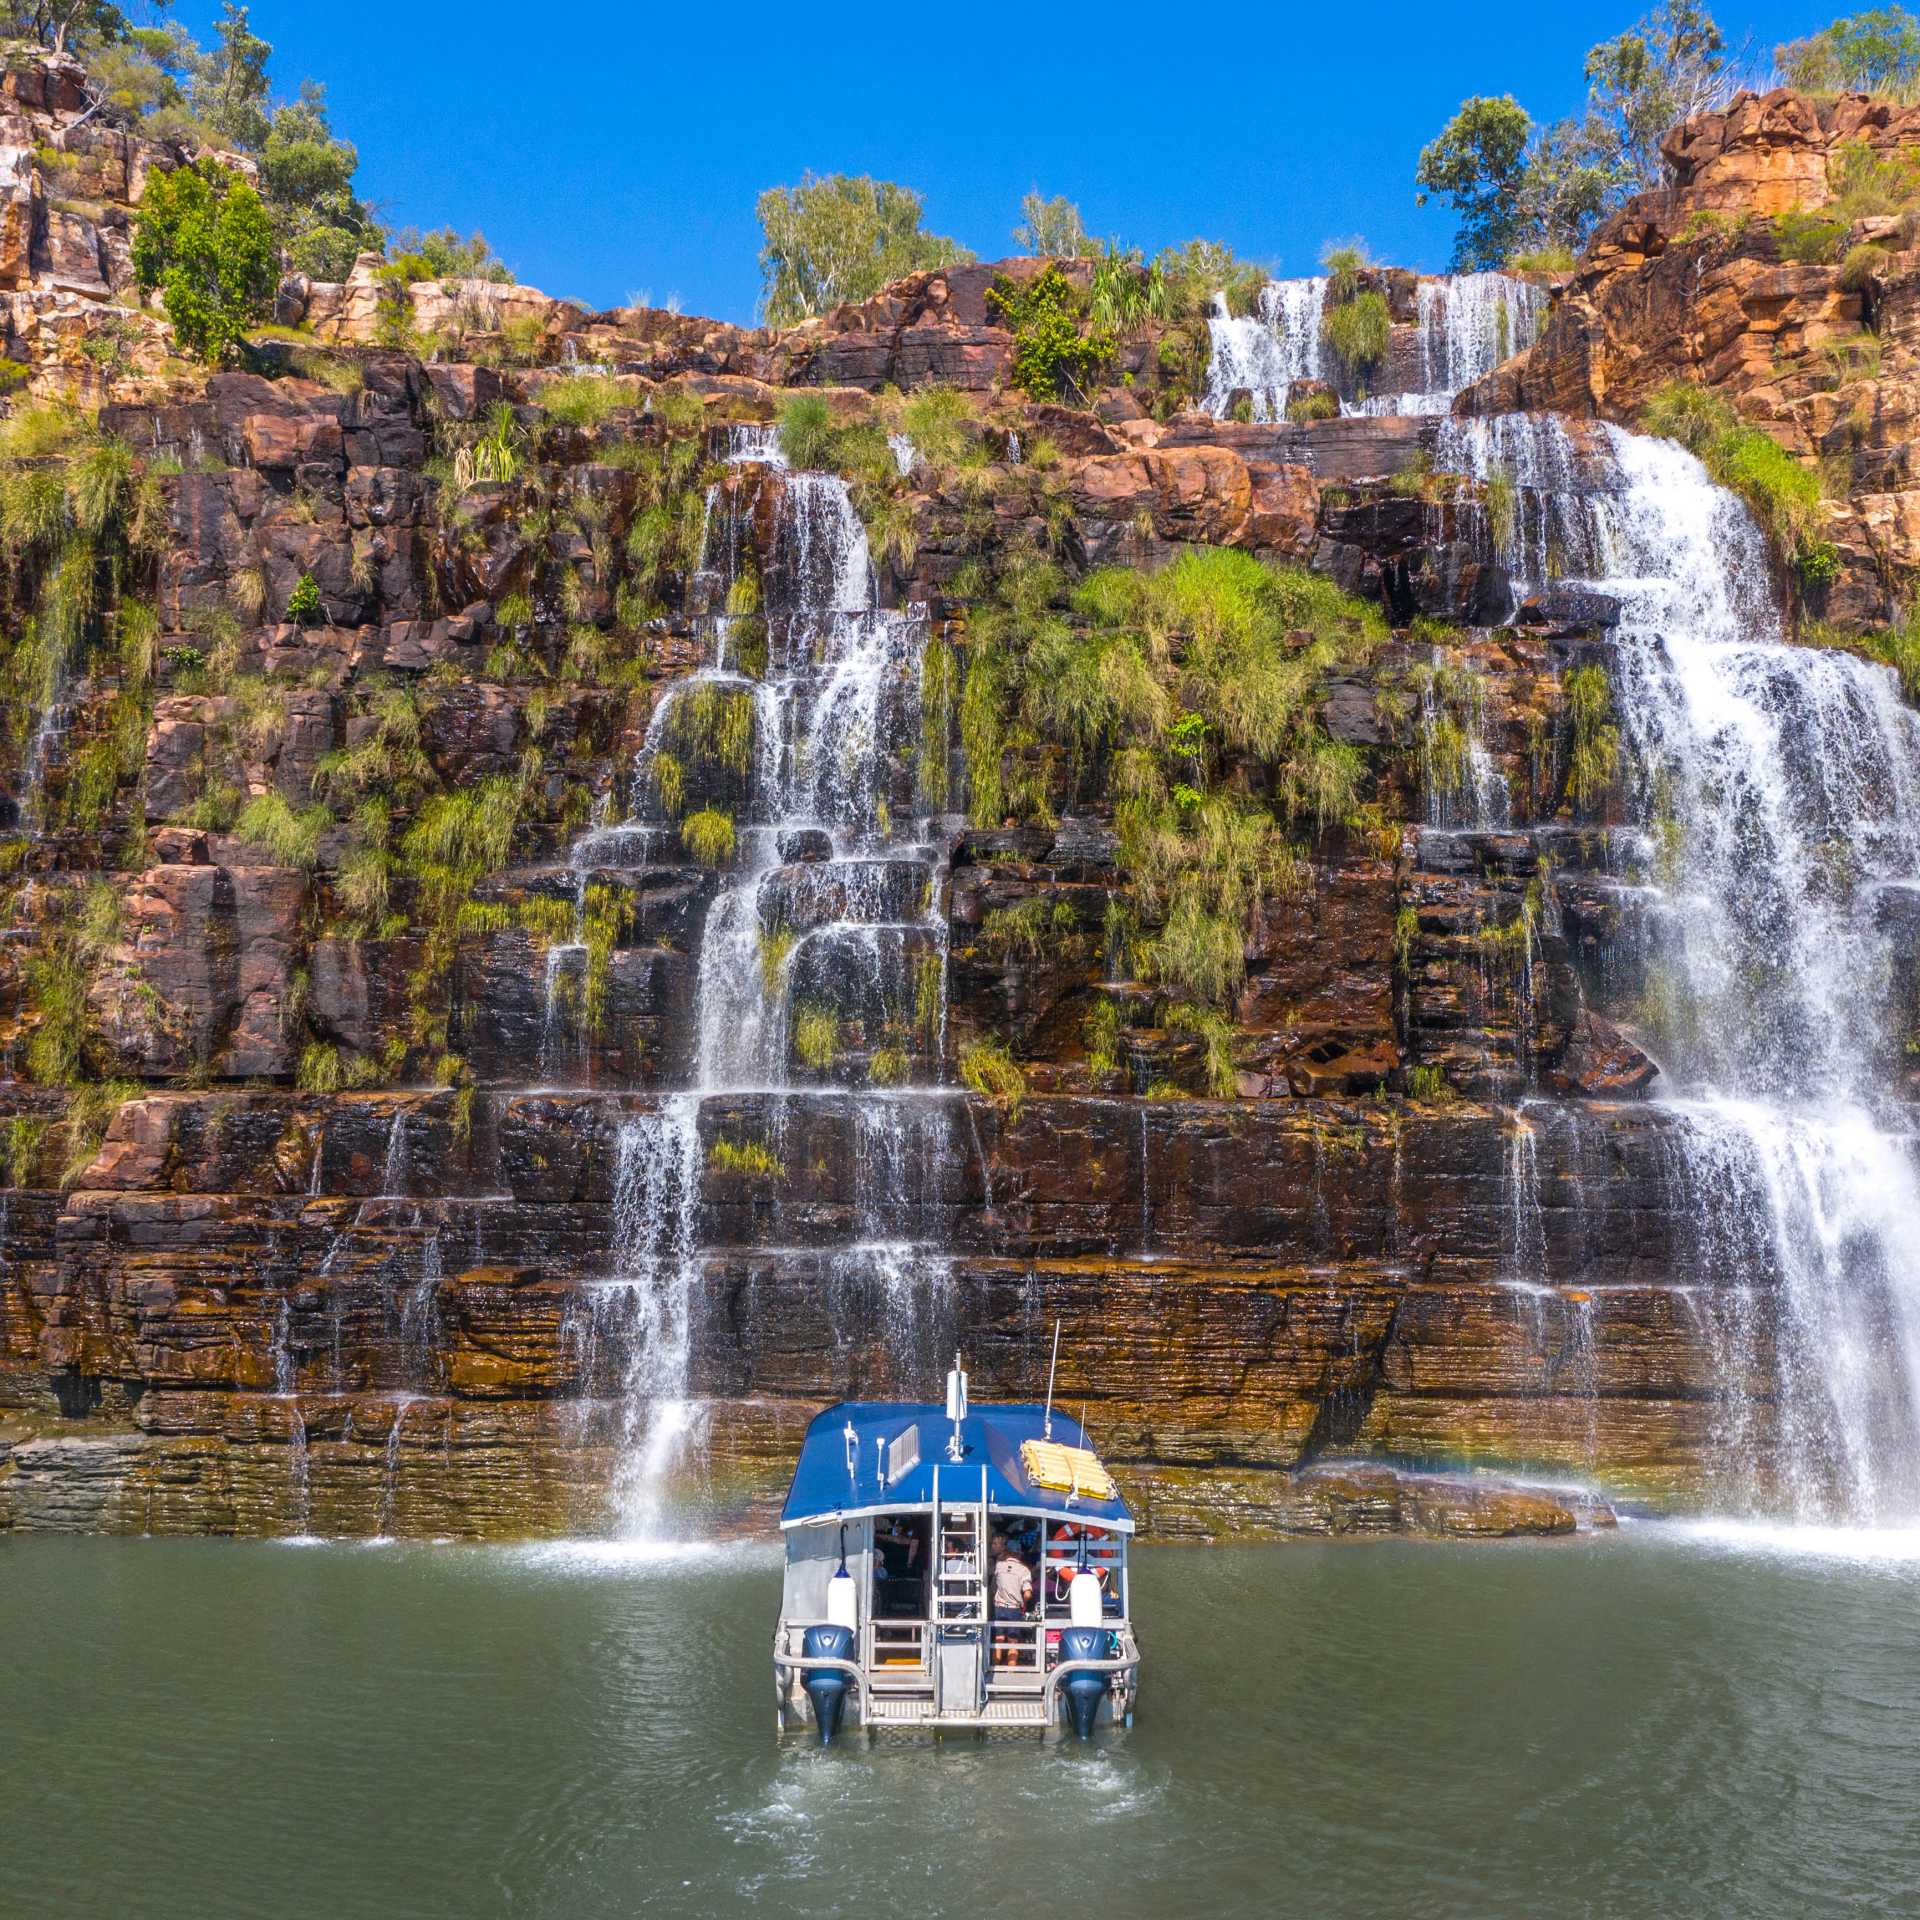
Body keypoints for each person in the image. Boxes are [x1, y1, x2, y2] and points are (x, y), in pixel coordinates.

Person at [991, 1534, 1034, 1667]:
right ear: (1019, 1554)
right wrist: (1024, 1602)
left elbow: (993, 1587)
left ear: (1007, 1552)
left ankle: (994, 1667)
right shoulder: (1024, 1570)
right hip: (1014, 1609)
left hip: (999, 1607)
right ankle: (1011, 1672)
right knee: (1013, 1642)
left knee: (998, 1640)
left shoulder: (999, 1566)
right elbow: (1027, 1593)